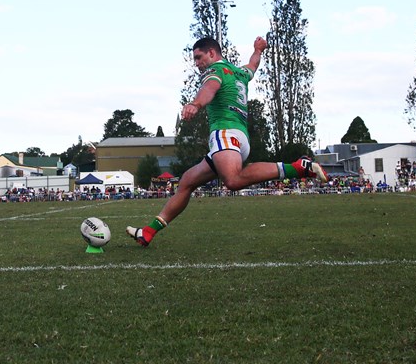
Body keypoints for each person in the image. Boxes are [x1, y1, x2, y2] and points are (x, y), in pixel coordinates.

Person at [127, 35, 327, 247]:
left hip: (225, 134)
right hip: (238, 138)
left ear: (212, 53)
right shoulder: (239, 72)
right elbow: (253, 65)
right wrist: (258, 50)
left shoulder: (215, 71)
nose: (196, 64)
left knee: (232, 181)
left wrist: (195, 104)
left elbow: (209, 89)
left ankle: (299, 168)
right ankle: (148, 232)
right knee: (187, 181)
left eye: (198, 57)